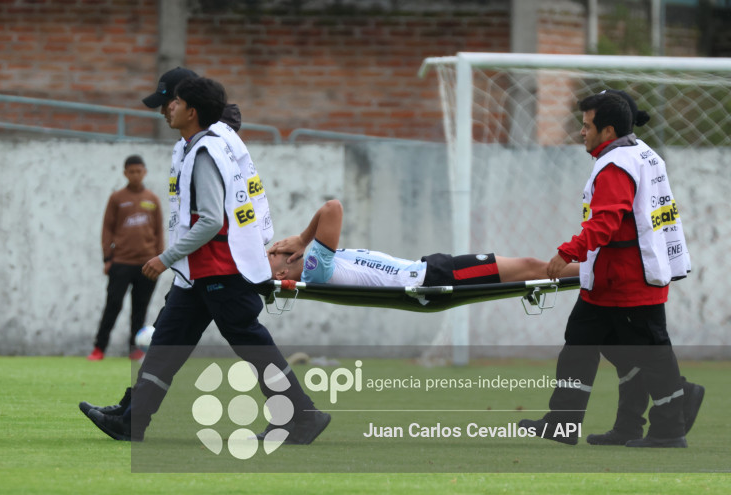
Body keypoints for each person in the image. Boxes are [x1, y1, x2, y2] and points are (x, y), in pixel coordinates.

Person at [80, 77, 330, 444]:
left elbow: (212, 220)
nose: (169, 108)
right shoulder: (202, 147)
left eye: (175, 102)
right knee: (166, 343)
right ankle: (132, 421)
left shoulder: (203, 154)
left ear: (192, 111)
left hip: (221, 270)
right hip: (202, 273)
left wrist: (166, 257)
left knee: (252, 346)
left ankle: (303, 415)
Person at [518, 90, 699, 448]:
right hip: (612, 282)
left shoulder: (616, 166)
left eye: (587, 126)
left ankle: (669, 429)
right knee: (583, 347)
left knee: (650, 357)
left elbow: (606, 223)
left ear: (608, 130)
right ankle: (573, 424)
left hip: (629, 282)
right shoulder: (640, 153)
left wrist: (566, 253)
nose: (581, 132)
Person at [267, 199, 580, 286]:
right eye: (272, 255)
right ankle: (593, 272)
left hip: (429, 269)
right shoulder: (312, 270)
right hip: (433, 278)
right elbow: (332, 208)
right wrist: (302, 239)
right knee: (530, 267)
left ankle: (592, 271)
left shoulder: (314, 267)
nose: (277, 248)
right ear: (282, 273)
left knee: (529, 267)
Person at [87, 155, 164, 361]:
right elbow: (107, 229)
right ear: (125, 173)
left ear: (144, 172)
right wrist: (107, 258)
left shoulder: (152, 199)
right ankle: (99, 348)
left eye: (139, 171)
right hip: (121, 262)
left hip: (147, 264)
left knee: (140, 310)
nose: (135, 175)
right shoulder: (117, 198)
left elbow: (159, 233)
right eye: (131, 172)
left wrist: (160, 261)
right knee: (113, 305)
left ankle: (135, 350)